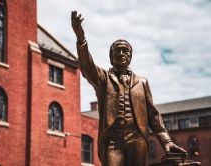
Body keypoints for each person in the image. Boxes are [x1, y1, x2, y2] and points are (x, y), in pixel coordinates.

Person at [71, 11, 186, 166]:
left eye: (125, 50)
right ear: (111, 57)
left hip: (138, 139)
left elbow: (153, 116)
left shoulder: (142, 82)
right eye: (116, 50)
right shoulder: (103, 79)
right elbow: (87, 67)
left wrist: (166, 140)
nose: (120, 53)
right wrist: (81, 39)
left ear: (130, 56)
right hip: (113, 140)